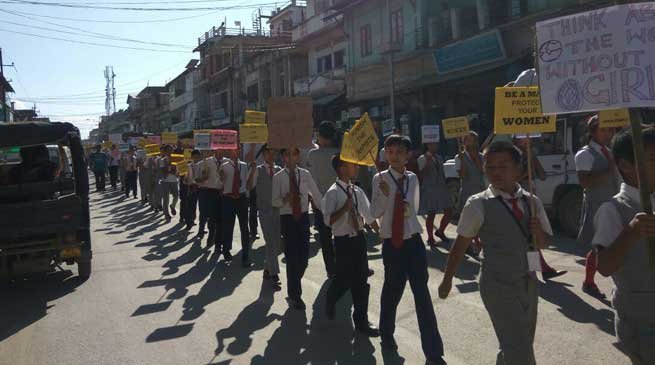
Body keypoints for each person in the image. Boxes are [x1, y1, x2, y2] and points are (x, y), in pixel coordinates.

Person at [439, 141, 553, 365]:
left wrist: (538, 231)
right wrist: (447, 280)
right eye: (490, 166)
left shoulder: (532, 202)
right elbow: (460, 246)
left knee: (518, 344)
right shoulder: (478, 204)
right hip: (498, 284)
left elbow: (544, 243)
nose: (496, 172)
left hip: (528, 282)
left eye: (503, 166)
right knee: (519, 351)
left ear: (519, 169)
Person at [371, 135, 446, 365]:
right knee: (392, 292)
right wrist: (385, 194)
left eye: (399, 152)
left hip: (413, 242)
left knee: (422, 295)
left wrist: (400, 202)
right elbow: (374, 212)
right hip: (393, 246)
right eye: (390, 151)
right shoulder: (379, 178)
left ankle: (433, 353)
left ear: (408, 155)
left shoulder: (412, 179)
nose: (394, 156)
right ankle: (386, 334)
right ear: (385, 154)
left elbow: (413, 208)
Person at [593, 127, 655, 365]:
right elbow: (605, 266)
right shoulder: (613, 210)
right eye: (652, 160)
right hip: (642, 320)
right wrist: (632, 232)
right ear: (626, 166)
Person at [322, 154, 380, 337]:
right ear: (341, 168)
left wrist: (381, 232)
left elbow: (368, 215)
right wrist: (344, 209)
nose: (356, 166)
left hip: (359, 239)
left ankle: (361, 321)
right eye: (351, 164)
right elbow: (328, 221)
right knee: (344, 279)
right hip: (343, 241)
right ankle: (331, 298)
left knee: (361, 281)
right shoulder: (332, 192)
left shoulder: (357, 190)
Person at [575, 115, 620, 298]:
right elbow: (585, 182)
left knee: (610, 245)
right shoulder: (585, 154)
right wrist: (609, 171)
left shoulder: (610, 150)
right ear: (593, 132)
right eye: (603, 130)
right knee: (600, 246)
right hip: (598, 205)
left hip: (614, 201)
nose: (608, 133)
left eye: (610, 130)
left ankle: (589, 281)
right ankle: (590, 281)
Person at [272, 147, 322, 310]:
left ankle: (294, 281)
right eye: (287, 154)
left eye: (294, 154)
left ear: (298, 155)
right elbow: (275, 201)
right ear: (283, 158)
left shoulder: (305, 174)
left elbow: (315, 194)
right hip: (287, 218)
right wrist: (285, 199)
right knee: (292, 258)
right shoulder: (278, 177)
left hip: (303, 217)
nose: (291, 158)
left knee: (304, 257)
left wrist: (326, 210)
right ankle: (295, 295)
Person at [514, 136, 567, 281]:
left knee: (533, 236)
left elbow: (542, 175)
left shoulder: (529, 155)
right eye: (522, 139)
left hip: (531, 199)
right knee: (528, 237)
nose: (527, 141)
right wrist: (527, 171)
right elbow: (514, 179)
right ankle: (540, 269)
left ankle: (539, 269)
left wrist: (533, 158)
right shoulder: (513, 156)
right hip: (518, 198)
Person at [306, 121, 340, 279]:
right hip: (340, 199)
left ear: (320, 136)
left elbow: (310, 180)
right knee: (342, 236)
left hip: (320, 202)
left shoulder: (313, 155)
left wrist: (312, 199)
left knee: (325, 239)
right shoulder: (341, 153)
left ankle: (331, 269)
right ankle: (343, 265)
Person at [248, 145, 283, 289]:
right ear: (263, 154)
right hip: (264, 210)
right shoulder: (258, 170)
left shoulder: (280, 170)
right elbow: (249, 187)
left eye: (273, 152)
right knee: (270, 241)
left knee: (276, 242)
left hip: (278, 210)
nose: (271, 155)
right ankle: (274, 274)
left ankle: (267, 269)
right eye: (268, 152)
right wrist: (252, 171)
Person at [219, 147, 252, 266]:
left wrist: (252, 169)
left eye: (238, 150)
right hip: (228, 198)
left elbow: (248, 181)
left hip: (242, 198)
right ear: (229, 152)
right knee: (228, 225)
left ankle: (246, 254)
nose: (236, 152)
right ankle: (226, 249)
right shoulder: (224, 166)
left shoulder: (244, 165)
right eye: (234, 150)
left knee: (244, 227)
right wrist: (221, 177)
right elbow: (220, 183)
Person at [455, 131, 485, 259]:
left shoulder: (482, 156)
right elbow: (462, 176)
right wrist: (462, 162)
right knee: (469, 221)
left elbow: (482, 170)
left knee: (482, 220)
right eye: (467, 140)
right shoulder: (459, 157)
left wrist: (475, 158)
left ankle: (479, 244)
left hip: (480, 190)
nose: (469, 142)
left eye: (472, 140)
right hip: (468, 192)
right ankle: (469, 245)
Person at [417, 142, 453, 247]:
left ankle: (440, 231)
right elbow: (422, 173)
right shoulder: (422, 158)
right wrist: (427, 161)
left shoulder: (439, 157)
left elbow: (442, 173)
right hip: (429, 188)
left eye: (436, 144)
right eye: (433, 144)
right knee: (431, 214)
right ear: (427, 145)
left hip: (441, 187)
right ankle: (430, 237)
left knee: (449, 211)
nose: (436, 146)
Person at [195, 150, 223, 247]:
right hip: (205, 191)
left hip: (219, 192)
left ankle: (212, 236)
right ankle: (201, 229)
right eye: (205, 151)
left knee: (214, 217)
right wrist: (203, 178)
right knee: (204, 213)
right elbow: (196, 179)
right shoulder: (202, 163)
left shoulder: (226, 162)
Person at [159, 145, 180, 221]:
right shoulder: (163, 160)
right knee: (166, 199)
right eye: (168, 150)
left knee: (176, 196)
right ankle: (166, 214)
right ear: (165, 151)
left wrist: (177, 173)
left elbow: (178, 169)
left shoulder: (176, 159)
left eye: (171, 150)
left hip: (174, 180)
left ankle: (172, 206)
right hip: (165, 181)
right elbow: (163, 170)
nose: (169, 151)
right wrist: (169, 166)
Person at [183, 150, 202, 230]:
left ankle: (202, 226)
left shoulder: (203, 166)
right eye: (195, 157)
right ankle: (189, 222)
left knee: (202, 208)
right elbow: (184, 179)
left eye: (198, 157)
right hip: (191, 187)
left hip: (201, 188)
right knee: (191, 206)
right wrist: (186, 180)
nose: (196, 159)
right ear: (192, 157)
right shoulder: (188, 166)